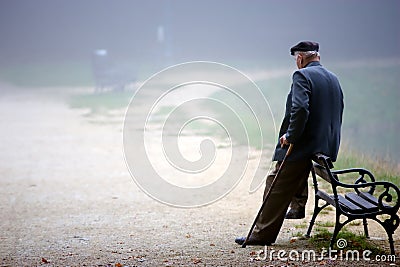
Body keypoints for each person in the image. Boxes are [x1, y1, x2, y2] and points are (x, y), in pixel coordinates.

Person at [235, 41, 344, 246]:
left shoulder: (302, 75)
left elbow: (300, 109)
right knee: (291, 172)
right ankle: (297, 205)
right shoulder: (333, 78)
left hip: (305, 144)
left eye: (296, 59)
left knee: (275, 182)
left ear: (300, 58)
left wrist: (291, 136)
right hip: (325, 146)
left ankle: (261, 235)